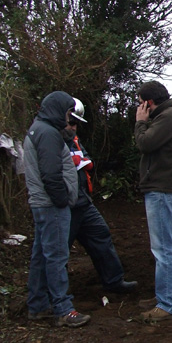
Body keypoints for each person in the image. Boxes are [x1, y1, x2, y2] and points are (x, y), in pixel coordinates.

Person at [23, 91, 90, 328]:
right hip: (51, 206)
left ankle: (38, 305)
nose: (68, 118)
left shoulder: (38, 129)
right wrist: (62, 200)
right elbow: (51, 174)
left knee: (42, 255)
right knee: (57, 257)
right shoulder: (48, 134)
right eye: (67, 112)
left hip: (42, 204)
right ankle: (63, 308)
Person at [63, 100, 138, 294]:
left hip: (83, 202)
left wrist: (80, 161)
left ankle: (113, 281)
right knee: (60, 250)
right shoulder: (52, 141)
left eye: (76, 124)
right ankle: (55, 295)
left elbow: (87, 160)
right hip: (65, 205)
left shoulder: (75, 140)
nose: (73, 127)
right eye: (71, 122)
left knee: (101, 235)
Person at [134, 81, 172, 322]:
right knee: (162, 247)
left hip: (163, 190)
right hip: (162, 189)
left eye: (140, 102)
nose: (138, 107)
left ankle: (167, 303)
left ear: (148, 102)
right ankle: (163, 295)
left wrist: (139, 122)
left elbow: (145, 143)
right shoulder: (168, 116)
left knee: (164, 248)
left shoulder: (169, 117)